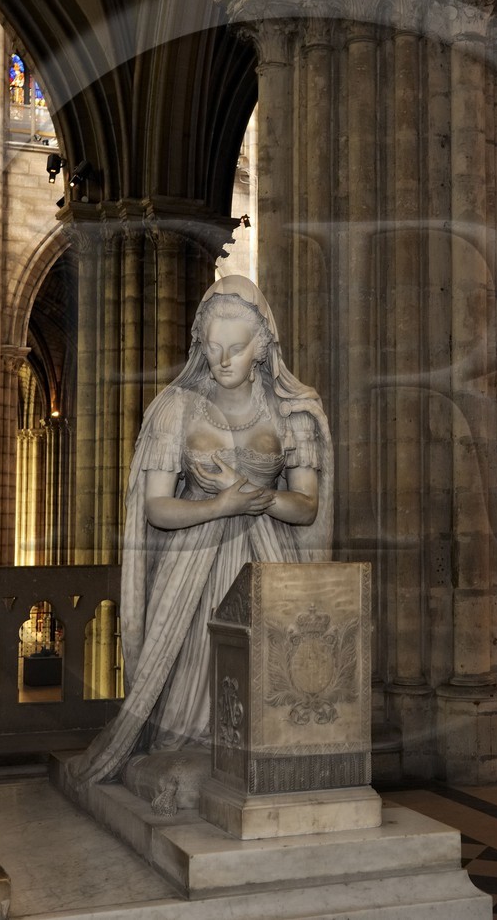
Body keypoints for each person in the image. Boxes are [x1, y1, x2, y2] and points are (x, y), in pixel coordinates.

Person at [72, 275, 332, 786]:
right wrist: (221, 505)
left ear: (262, 347)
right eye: (212, 348)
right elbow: (157, 509)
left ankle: (264, 747)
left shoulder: (292, 411)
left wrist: (250, 496)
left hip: (268, 560)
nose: (223, 360)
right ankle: (186, 750)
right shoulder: (176, 409)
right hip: (192, 559)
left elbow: (305, 507)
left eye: (235, 348)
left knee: (272, 680)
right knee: (193, 677)